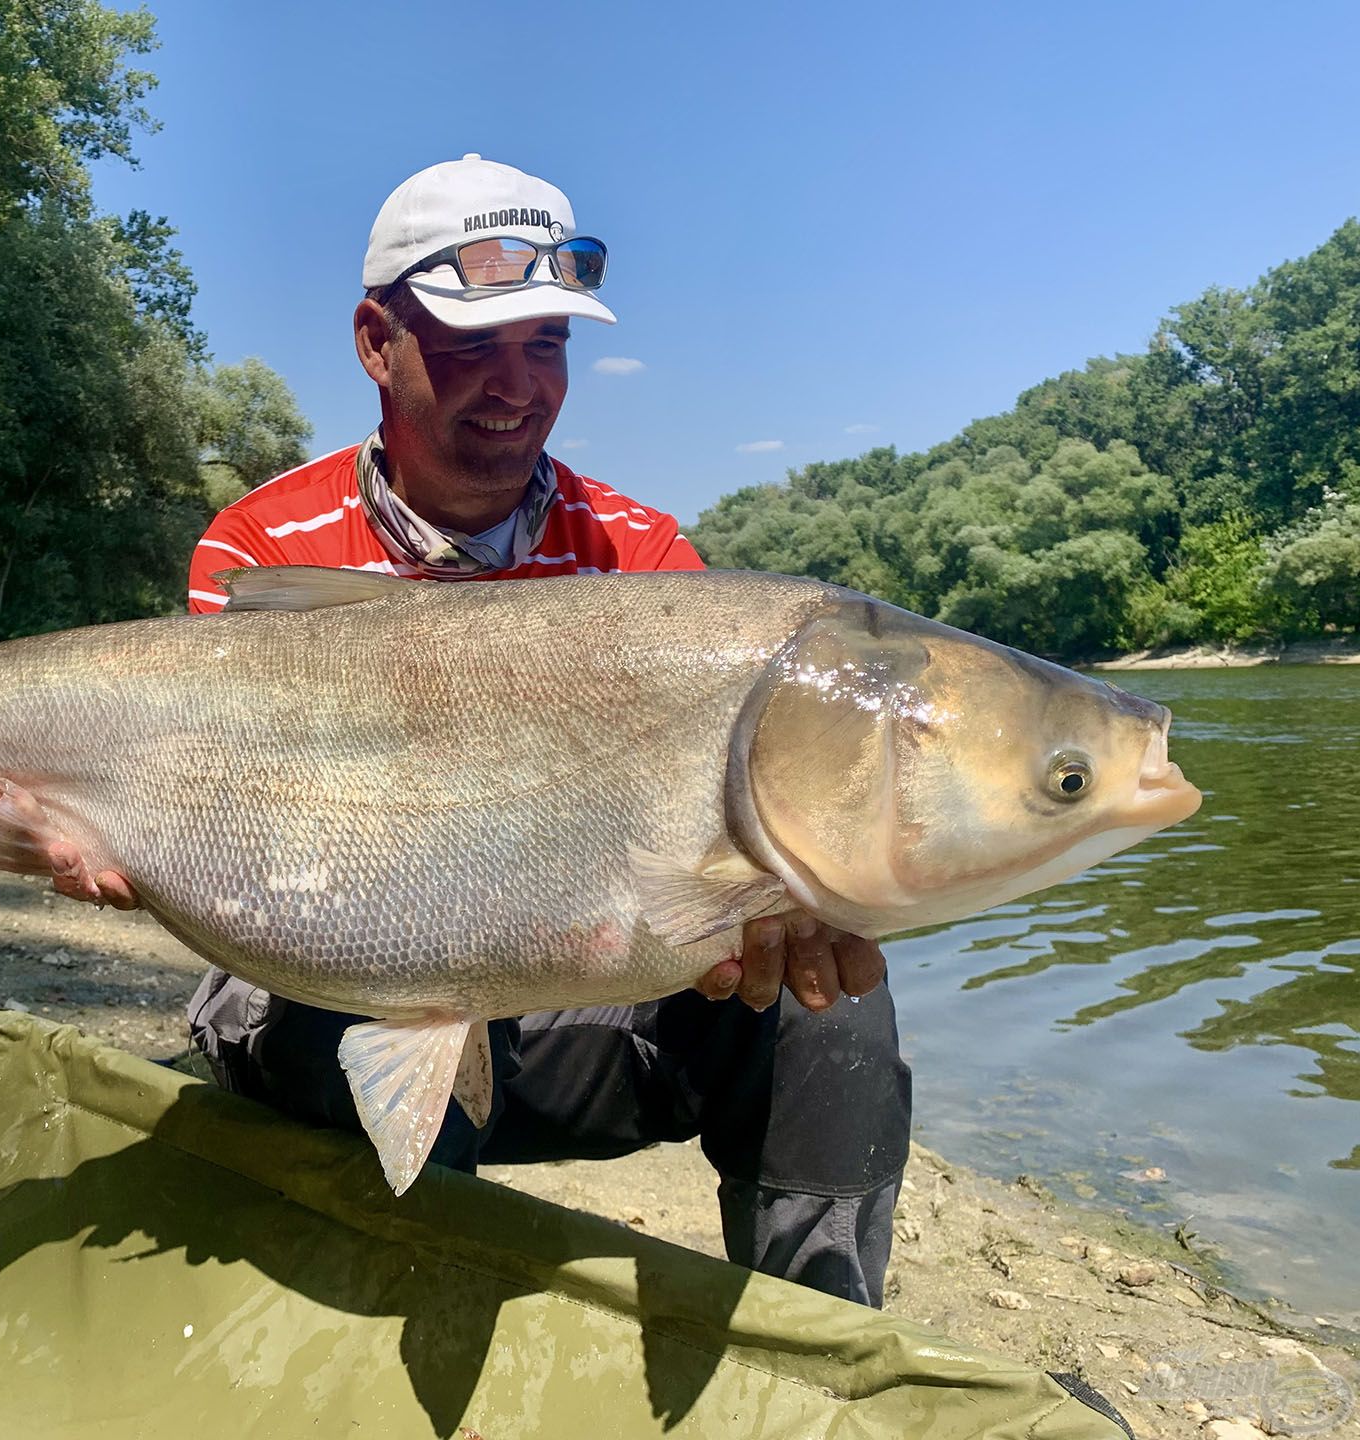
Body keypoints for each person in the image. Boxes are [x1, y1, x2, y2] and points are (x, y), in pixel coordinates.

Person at [74, 155, 911, 1306]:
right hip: (318, 990)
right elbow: (236, 846)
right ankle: (403, 1299)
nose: (518, 386)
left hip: (566, 1002)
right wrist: (108, 834)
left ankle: (822, 1353)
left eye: (547, 346)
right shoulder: (264, 549)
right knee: (382, 976)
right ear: (378, 341)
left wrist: (779, 902)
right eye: (477, 347)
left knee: (839, 994)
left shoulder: (647, 562)